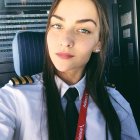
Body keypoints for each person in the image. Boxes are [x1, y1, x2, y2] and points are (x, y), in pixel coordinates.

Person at [0, 0, 139, 140]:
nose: (66, 40)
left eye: (83, 30)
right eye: (57, 25)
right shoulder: (14, 98)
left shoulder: (115, 103)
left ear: (98, 44)